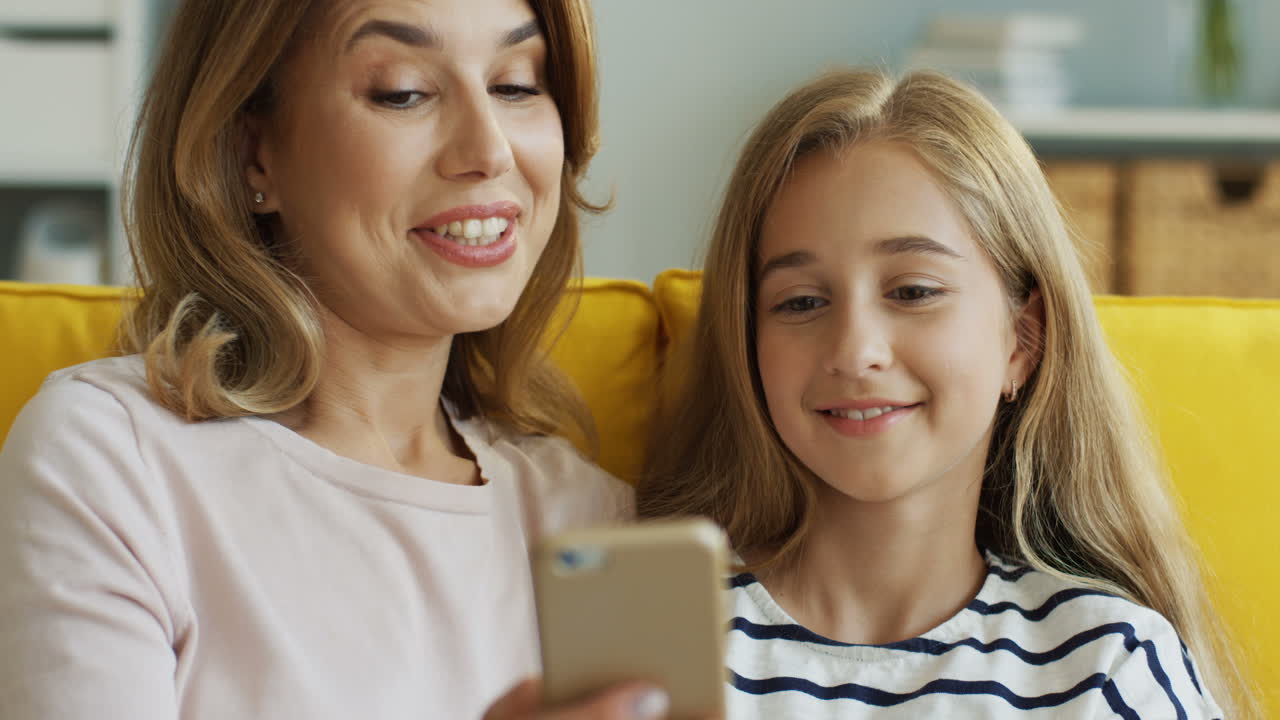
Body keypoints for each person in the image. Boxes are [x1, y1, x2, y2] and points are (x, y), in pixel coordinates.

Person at [0, 0, 668, 717]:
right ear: (253, 150)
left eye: (516, 85)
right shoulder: (110, 458)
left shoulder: (591, 521)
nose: (490, 149)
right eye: (403, 91)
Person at [638, 69, 1257, 718]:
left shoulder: (1107, 664)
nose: (855, 350)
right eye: (801, 301)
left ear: (1022, 337)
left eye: (912, 291)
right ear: (747, 343)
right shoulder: (658, 644)